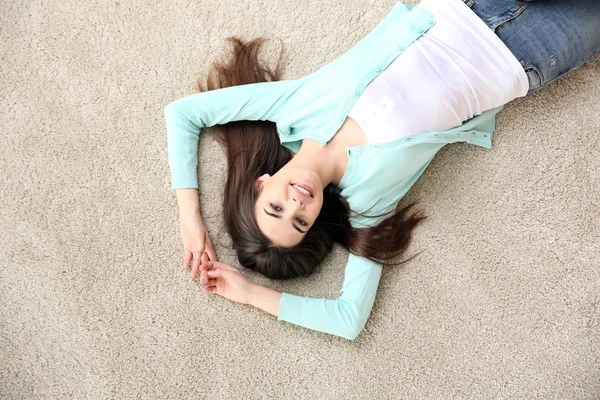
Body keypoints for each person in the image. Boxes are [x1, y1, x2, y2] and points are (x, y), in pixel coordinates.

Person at [163, 0, 600, 340]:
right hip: (528, 53)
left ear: (263, 183)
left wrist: (190, 216)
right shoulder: (368, 201)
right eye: (299, 221)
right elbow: (348, 318)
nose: (297, 202)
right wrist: (248, 294)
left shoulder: (292, 106)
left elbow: (183, 114)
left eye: (276, 207)